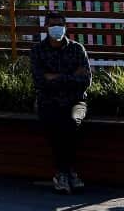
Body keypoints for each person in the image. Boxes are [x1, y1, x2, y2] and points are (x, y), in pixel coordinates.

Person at [30, 11, 91, 194]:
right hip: (48, 101)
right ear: (46, 27)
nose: (56, 28)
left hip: (76, 102)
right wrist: (71, 77)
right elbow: (39, 81)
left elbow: (86, 81)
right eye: (52, 24)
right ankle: (68, 172)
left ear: (65, 27)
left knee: (71, 123)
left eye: (59, 24)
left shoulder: (77, 49)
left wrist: (55, 78)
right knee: (54, 125)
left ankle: (63, 173)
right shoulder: (38, 51)